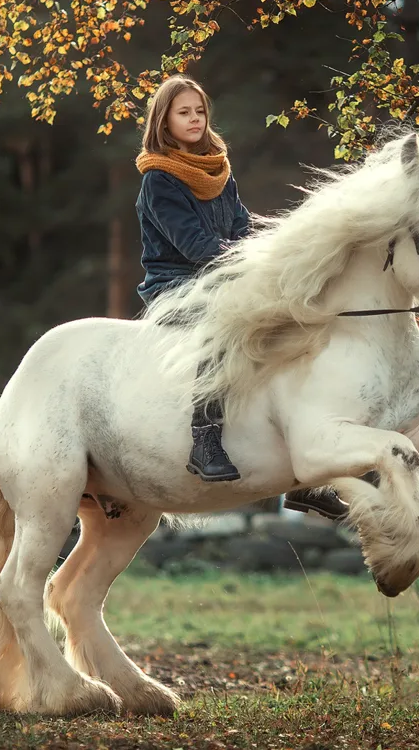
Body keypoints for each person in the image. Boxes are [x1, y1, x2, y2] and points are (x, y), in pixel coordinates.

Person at [134, 75, 348, 521]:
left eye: (200, 111)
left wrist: (268, 254)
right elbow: (194, 245)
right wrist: (249, 262)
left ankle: (308, 476)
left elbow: (240, 226)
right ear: (164, 121)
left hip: (226, 276)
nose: (194, 120)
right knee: (223, 325)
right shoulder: (158, 179)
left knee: (294, 324)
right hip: (177, 284)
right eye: (183, 113)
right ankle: (205, 438)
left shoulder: (218, 170)